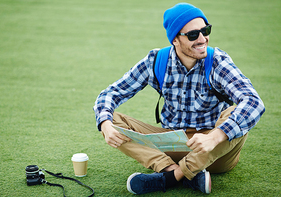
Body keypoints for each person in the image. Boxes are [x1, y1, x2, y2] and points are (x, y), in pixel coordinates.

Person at [93, 2, 265, 195]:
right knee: (110, 120)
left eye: (205, 30)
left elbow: (254, 102)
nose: (202, 39)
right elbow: (109, 94)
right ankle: (179, 173)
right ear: (175, 39)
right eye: (193, 35)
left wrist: (215, 137)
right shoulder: (156, 61)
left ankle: (169, 179)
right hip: (172, 144)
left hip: (215, 151)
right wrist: (106, 125)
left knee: (237, 115)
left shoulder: (217, 61)